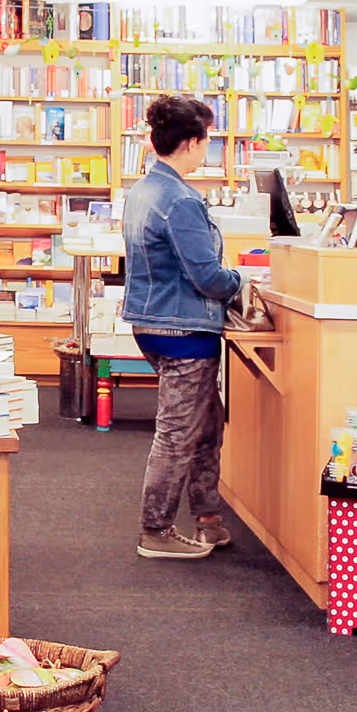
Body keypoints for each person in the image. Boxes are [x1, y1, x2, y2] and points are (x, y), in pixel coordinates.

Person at [121, 94, 243, 561]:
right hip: (185, 329)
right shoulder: (181, 200)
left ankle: (208, 518)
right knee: (177, 431)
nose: (207, 149)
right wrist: (240, 281)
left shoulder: (145, 189)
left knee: (205, 421)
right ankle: (156, 529)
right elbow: (208, 276)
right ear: (191, 142)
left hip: (152, 321)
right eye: (206, 140)